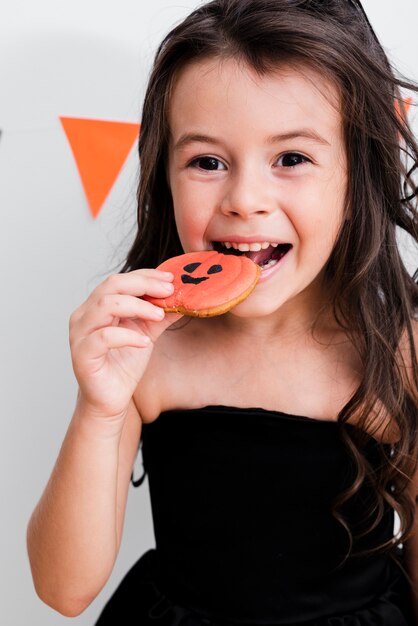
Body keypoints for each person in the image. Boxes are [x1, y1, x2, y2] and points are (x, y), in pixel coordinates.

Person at [27, 0, 418, 624]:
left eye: (291, 158)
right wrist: (97, 405)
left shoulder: (398, 351)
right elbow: (63, 589)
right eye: (207, 162)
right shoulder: (144, 347)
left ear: (357, 173)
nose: (245, 200)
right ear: (165, 173)